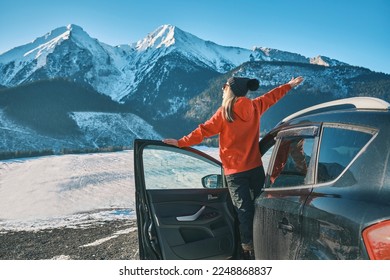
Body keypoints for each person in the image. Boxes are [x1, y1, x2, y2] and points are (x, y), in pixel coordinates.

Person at [163, 75, 304, 259]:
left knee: (244, 210)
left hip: (235, 174)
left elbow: (202, 132)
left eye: (224, 86)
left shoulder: (224, 113)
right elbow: (273, 96)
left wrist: (181, 142)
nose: (222, 89)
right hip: (255, 168)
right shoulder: (254, 106)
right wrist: (289, 85)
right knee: (263, 207)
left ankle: (249, 250)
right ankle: (269, 241)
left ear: (230, 89)